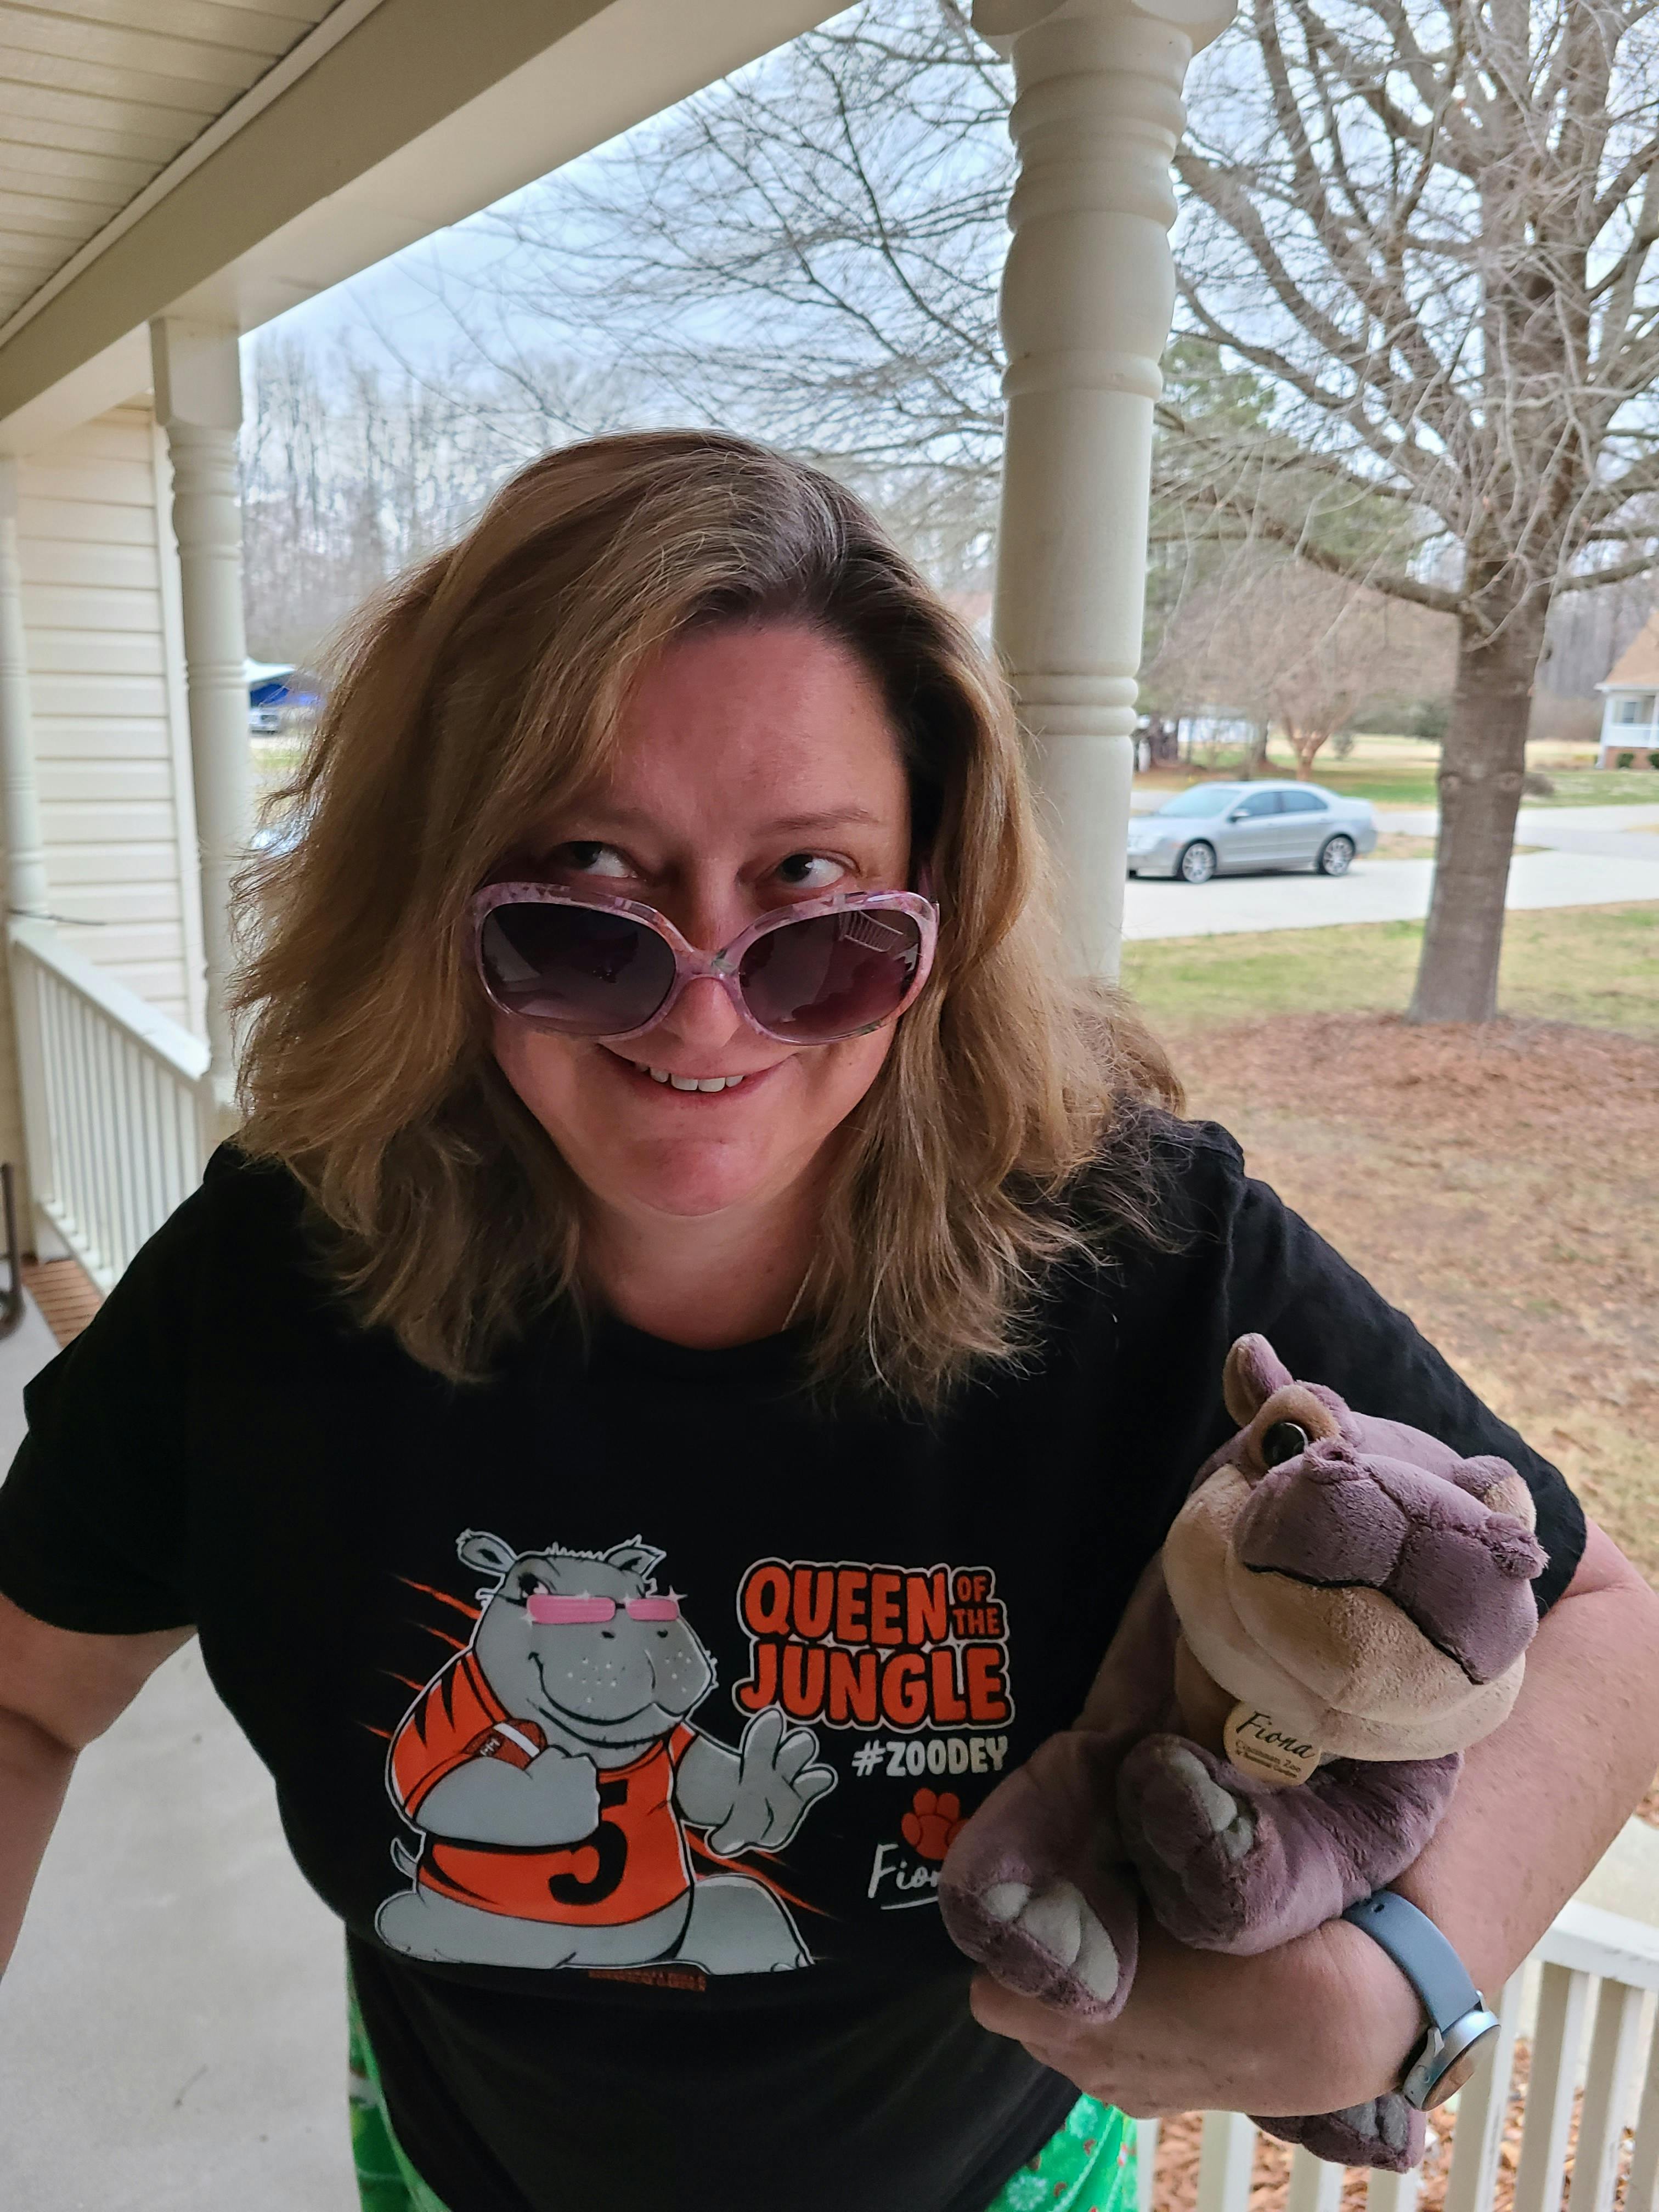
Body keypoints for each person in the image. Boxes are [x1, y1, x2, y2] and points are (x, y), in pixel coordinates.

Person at [0, 432, 1654, 2212]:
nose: (706, 1013)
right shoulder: (274, 1277)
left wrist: (1402, 1980)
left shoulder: (1144, 1253)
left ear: (939, 905)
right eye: (585, 888)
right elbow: (27, 1699)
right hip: (453, 2163)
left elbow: (1599, 1621)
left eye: (813, 896)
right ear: (430, 894)